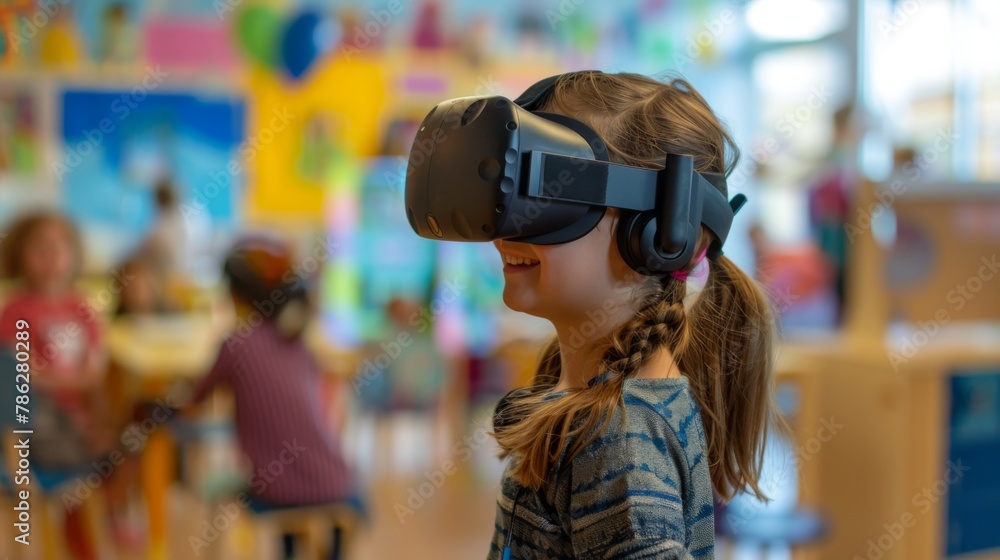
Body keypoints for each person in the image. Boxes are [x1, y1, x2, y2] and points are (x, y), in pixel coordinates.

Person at [481, 72, 778, 558]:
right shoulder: (588, 389)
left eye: (548, 198)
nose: (508, 226)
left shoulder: (621, 436)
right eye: (511, 199)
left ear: (659, 233)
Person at [184, 235, 360, 559]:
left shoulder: (235, 345)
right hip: (338, 482)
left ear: (233, 294)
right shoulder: (300, 345)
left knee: (276, 478)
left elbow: (193, 400)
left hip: (276, 488)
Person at [0, 211, 142, 556]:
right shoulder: (16, 311)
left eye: (59, 247)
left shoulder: (82, 308)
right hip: (37, 430)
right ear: (20, 254)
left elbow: (95, 376)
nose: (51, 257)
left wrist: (77, 390)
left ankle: (105, 520)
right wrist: (71, 381)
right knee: (86, 462)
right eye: (40, 249)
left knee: (132, 439)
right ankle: (87, 527)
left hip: (80, 426)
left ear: (73, 253)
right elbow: (18, 378)